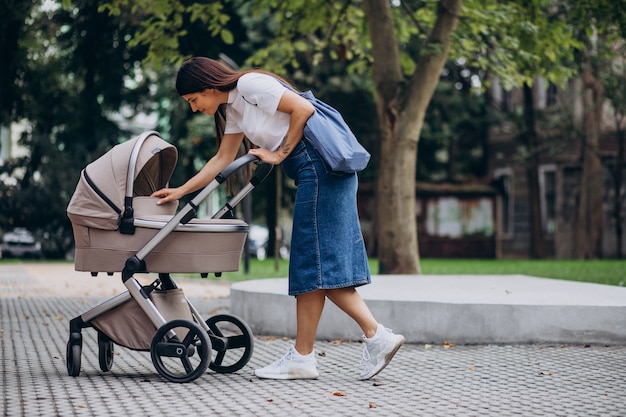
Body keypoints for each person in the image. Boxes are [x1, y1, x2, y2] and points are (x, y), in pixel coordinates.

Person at [151, 57, 404, 380]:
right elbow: (222, 159)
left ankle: (375, 336)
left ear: (209, 87)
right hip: (317, 173)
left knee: (314, 263)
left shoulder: (249, 85)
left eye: (193, 100)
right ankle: (305, 357)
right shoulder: (233, 109)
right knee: (316, 265)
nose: (194, 108)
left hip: (318, 169)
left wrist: (278, 154)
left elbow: (303, 109)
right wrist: (180, 190)